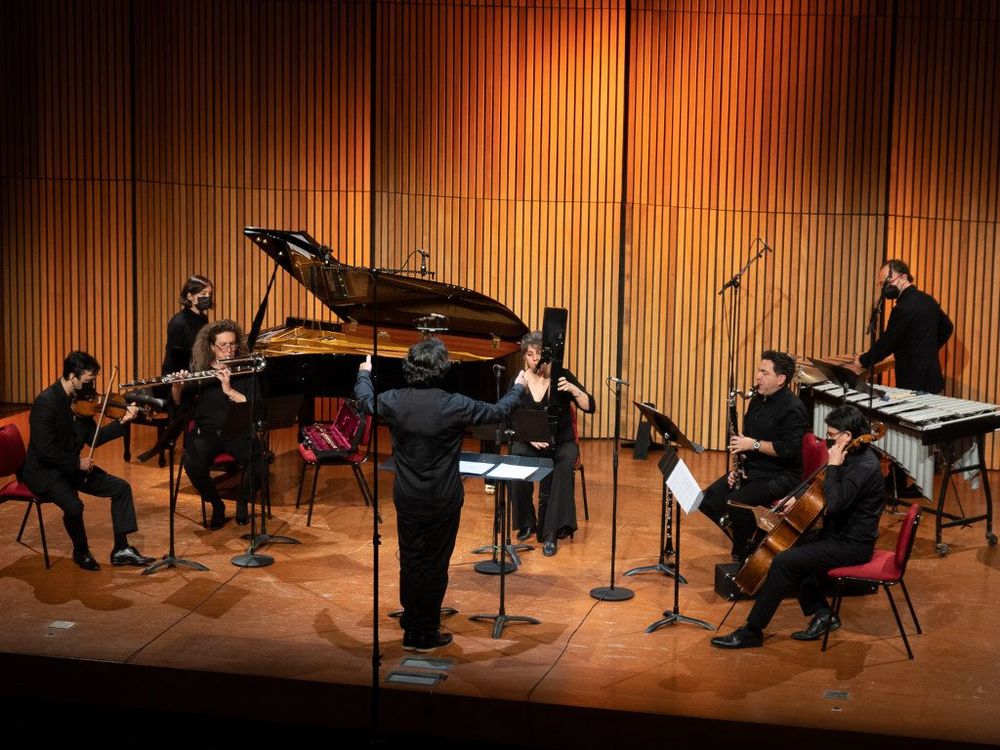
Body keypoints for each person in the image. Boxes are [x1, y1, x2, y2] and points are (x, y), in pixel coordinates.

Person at [353, 339, 527, 653]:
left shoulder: (394, 400)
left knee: (411, 561)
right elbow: (498, 412)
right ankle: (425, 632)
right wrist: (517, 387)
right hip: (442, 499)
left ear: (409, 367)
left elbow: (365, 400)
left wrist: (364, 372)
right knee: (434, 565)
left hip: (407, 498)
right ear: (442, 369)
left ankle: (412, 625)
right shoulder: (454, 404)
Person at [710, 404, 885, 648]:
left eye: (832, 435)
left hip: (852, 544)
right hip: (835, 535)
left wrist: (834, 465)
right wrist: (797, 498)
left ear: (847, 436)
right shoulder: (850, 454)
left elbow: (835, 502)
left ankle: (752, 631)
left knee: (784, 561)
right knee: (788, 547)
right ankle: (822, 614)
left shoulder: (865, 466)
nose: (828, 440)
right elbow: (823, 484)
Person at [20, 351, 154, 571]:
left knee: (121, 488)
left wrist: (123, 421)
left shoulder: (81, 403)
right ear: (73, 377)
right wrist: (76, 464)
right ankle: (81, 551)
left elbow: (93, 438)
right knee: (74, 506)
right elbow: (45, 450)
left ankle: (121, 549)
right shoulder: (46, 403)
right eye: (88, 380)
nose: (91, 387)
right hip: (45, 471)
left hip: (70, 468)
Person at [698, 350, 808, 562]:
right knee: (708, 500)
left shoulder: (793, 408)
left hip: (780, 475)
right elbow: (746, 440)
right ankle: (747, 538)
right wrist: (737, 469)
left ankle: (747, 548)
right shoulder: (758, 399)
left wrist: (754, 444)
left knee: (734, 502)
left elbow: (788, 449)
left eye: (765, 373)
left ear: (781, 379)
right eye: (759, 371)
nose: (758, 376)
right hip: (754, 468)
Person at [509, 331, 595, 557]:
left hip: (562, 441)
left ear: (546, 355)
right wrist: (529, 437)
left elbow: (590, 406)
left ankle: (551, 532)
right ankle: (526, 522)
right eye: (530, 354)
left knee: (562, 468)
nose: (535, 359)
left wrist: (574, 390)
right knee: (516, 459)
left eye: (538, 353)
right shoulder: (520, 380)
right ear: (524, 357)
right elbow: (510, 416)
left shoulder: (561, 375)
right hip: (531, 441)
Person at [172, 319, 263, 529]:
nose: (228, 350)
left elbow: (255, 406)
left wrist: (229, 390)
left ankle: (243, 500)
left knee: (260, 464)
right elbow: (179, 404)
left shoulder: (247, 369)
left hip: (238, 431)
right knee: (192, 464)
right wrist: (177, 387)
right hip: (208, 432)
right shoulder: (200, 369)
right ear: (212, 347)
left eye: (232, 344)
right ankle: (216, 504)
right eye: (222, 345)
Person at [857, 259, 953, 394]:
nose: (885, 288)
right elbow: (947, 328)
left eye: (888, 282)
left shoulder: (903, 308)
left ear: (903, 277)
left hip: (913, 383)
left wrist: (863, 361)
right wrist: (927, 348)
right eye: (882, 284)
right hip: (933, 380)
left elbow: (888, 342)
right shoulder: (928, 300)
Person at [162, 274, 214, 375]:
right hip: (178, 374)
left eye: (209, 294)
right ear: (190, 296)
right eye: (203, 294)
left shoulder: (203, 318)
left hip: (194, 370)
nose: (208, 297)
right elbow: (178, 360)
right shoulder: (178, 322)